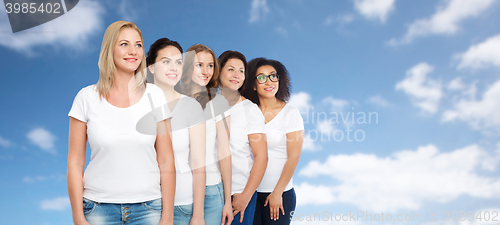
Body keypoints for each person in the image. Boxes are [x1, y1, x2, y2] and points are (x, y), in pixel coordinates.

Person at [67, 21, 176, 225]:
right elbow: (74, 163)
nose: (133, 51)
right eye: (124, 44)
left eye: (138, 45)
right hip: (97, 209)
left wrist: (167, 217)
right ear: (110, 49)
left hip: (149, 209)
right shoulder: (85, 98)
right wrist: (78, 217)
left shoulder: (156, 95)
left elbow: (167, 160)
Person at [146, 38, 207, 225]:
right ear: (151, 67)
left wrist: (198, 215)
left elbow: (198, 164)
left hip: (182, 206)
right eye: (166, 61)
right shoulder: (137, 104)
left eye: (178, 62)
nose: (173, 68)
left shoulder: (191, 106)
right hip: (142, 205)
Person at [240, 58, 304, 225]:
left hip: (278, 195)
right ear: (253, 84)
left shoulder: (290, 113)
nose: (268, 81)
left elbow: (294, 156)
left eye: (273, 76)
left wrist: (277, 193)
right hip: (249, 194)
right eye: (261, 77)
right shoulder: (247, 112)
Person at [178, 44, 233, 225]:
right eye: (199, 65)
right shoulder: (174, 100)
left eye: (210, 65)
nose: (206, 71)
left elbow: (224, 152)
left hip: (210, 190)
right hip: (178, 190)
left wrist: (226, 201)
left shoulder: (218, 103)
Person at [217, 51, 268, 225]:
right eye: (231, 69)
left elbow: (261, 157)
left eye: (241, 71)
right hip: (211, 192)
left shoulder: (250, 110)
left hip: (238, 193)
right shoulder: (206, 105)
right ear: (218, 71)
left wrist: (246, 196)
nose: (236, 75)